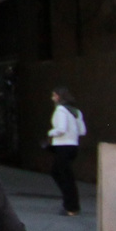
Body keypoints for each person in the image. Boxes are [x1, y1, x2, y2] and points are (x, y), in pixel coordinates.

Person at [47, 86, 87, 216]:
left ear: (58, 97)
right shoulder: (76, 112)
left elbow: (61, 129)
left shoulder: (60, 110)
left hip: (62, 146)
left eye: (53, 96)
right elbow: (82, 131)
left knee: (60, 174)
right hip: (73, 146)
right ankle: (71, 204)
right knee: (65, 175)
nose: (52, 98)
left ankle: (71, 206)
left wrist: (51, 132)